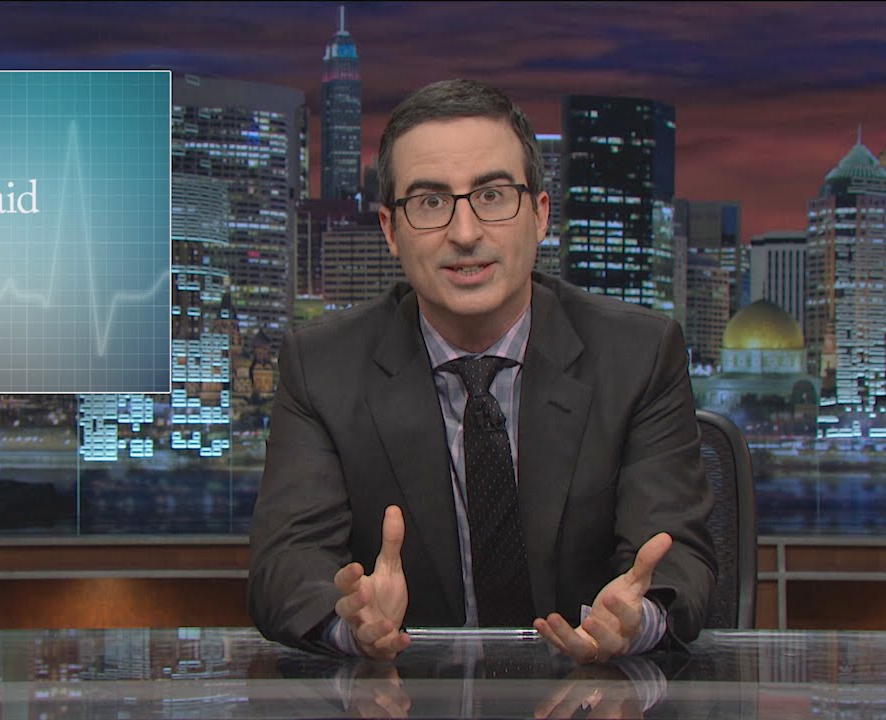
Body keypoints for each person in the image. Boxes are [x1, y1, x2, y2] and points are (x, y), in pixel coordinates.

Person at [248, 78, 716, 663]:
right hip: (406, 696)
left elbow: (678, 557)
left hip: (593, 694)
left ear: (539, 215)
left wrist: (637, 621)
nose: (465, 234)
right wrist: (349, 624)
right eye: (430, 202)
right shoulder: (323, 368)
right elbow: (285, 564)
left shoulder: (639, 355)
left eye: (492, 196)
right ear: (390, 230)